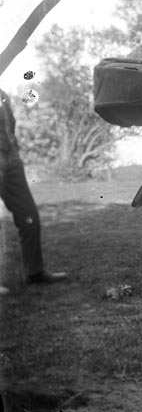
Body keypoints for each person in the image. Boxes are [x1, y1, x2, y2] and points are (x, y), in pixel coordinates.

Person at [0, 90, 67, 294]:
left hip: (11, 161)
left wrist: (13, 153)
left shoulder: (2, 95)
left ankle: (34, 272)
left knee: (29, 215)